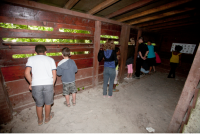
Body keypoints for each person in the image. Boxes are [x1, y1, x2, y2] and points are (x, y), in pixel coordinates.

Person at [25, 45, 56, 126]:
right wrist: (52, 84)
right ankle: (47, 118)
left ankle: (40, 120)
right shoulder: (50, 59)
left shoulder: (31, 59)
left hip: (36, 84)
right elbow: (54, 74)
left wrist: (31, 82)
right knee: (48, 103)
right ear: (46, 52)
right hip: (48, 83)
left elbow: (26, 73)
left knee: (39, 104)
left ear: (35, 52)